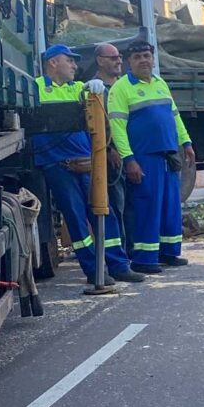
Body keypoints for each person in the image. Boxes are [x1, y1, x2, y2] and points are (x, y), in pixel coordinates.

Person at [33, 44, 143, 284]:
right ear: (53, 63)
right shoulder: (36, 88)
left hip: (86, 164)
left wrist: (97, 93)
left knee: (104, 212)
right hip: (58, 165)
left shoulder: (79, 89)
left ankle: (118, 265)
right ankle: (94, 271)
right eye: (69, 61)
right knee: (76, 217)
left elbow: (100, 118)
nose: (74, 66)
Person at [108, 41, 195, 274]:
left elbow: (174, 116)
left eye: (147, 55)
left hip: (168, 155)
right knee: (147, 207)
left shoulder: (160, 83)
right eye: (138, 57)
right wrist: (129, 160)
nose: (144, 60)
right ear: (129, 62)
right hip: (143, 157)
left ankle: (168, 253)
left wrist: (186, 143)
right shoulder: (121, 88)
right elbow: (117, 128)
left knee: (170, 206)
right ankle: (144, 259)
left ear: (153, 59)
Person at [93, 43, 133, 255]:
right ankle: (121, 255)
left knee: (131, 206)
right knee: (116, 207)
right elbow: (95, 125)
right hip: (113, 159)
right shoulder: (95, 89)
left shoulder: (124, 86)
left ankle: (134, 251)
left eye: (119, 56)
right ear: (100, 60)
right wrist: (109, 150)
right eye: (113, 57)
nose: (119, 61)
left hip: (131, 155)